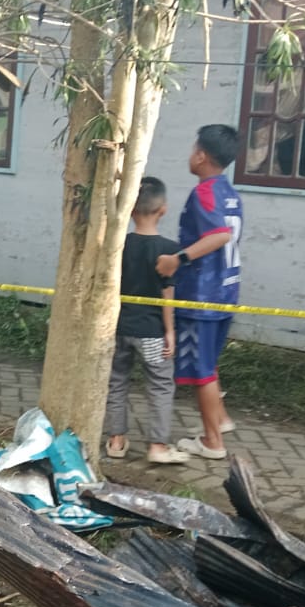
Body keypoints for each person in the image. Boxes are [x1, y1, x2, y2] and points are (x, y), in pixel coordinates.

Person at [157, 124, 242, 459]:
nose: (191, 154)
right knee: (210, 362)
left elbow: (220, 235)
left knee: (202, 370)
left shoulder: (205, 191)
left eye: (194, 148)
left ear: (202, 155)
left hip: (202, 296)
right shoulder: (229, 193)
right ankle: (220, 421)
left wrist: (177, 259)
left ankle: (212, 442)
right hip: (226, 291)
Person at [103, 177, 187, 465]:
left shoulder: (118, 246)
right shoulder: (169, 249)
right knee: (160, 385)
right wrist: (170, 331)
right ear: (163, 210)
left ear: (128, 210)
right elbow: (167, 294)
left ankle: (116, 440)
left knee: (116, 382)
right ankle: (157, 446)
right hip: (152, 333)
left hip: (118, 329)